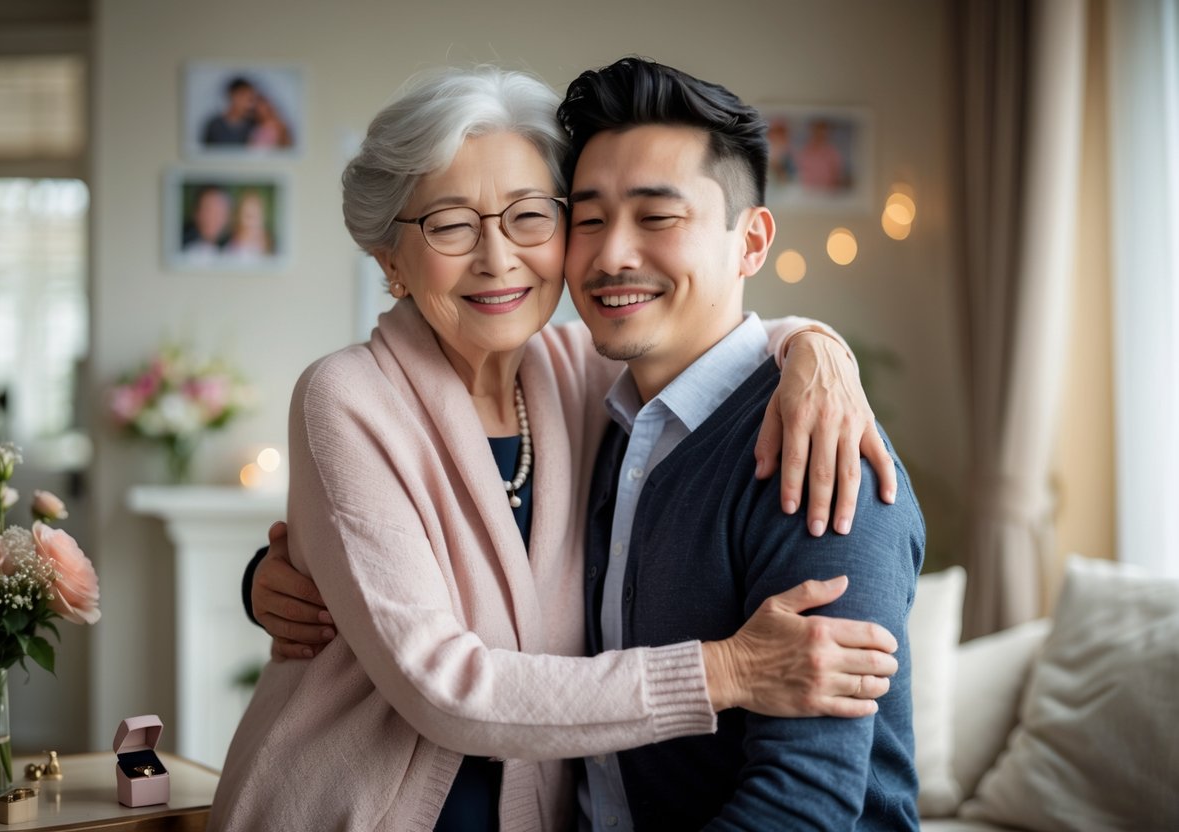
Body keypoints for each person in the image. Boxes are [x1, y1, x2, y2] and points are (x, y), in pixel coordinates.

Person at [209, 66, 900, 832]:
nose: (497, 258)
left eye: (529, 216)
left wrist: (814, 346)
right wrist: (724, 671)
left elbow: (704, 333)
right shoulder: (347, 396)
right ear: (389, 259)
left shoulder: (579, 373)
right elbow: (444, 685)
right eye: (448, 224)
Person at [558, 57, 922, 829]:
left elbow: (804, 805)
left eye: (657, 217)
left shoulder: (817, 447)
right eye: (586, 219)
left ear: (750, 242)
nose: (611, 253)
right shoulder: (595, 417)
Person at [201, 77, 257, 146]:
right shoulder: (214, 125)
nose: (249, 105)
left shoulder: (253, 125)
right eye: (245, 98)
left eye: (251, 100)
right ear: (231, 96)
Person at [180, 185, 231, 261]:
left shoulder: (232, 250)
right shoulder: (186, 253)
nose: (213, 218)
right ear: (196, 214)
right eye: (208, 210)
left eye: (219, 211)